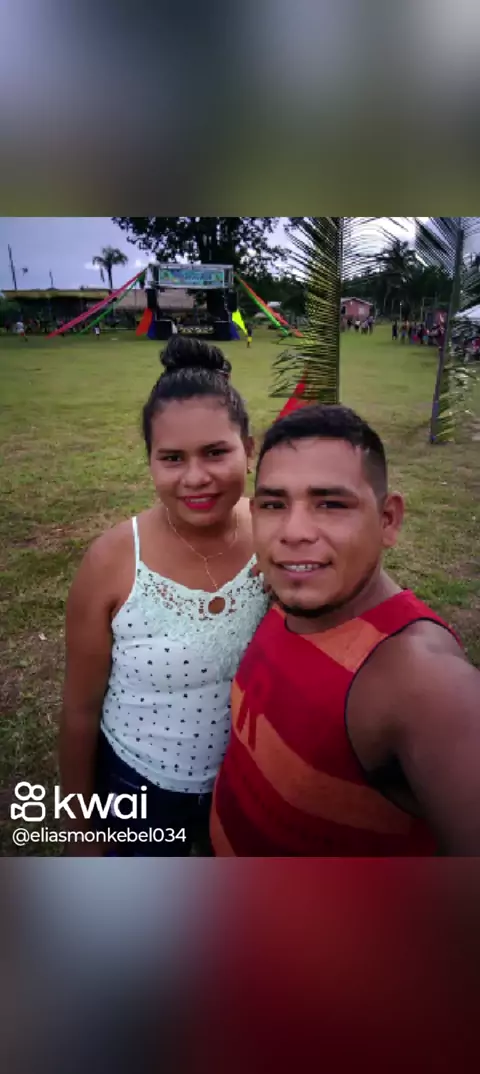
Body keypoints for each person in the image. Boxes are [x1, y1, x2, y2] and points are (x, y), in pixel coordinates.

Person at [211, 404, 480, 856]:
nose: (293, 532)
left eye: (331, 504)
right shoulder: (293, 594)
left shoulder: (420, 682)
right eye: (275, 505)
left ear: (388, 520)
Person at [59, 337, 270, 856]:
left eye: (216, 452)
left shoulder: (276, 534)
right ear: (150, 461)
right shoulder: (112, 560)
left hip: (250, 785)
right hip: (137, 789)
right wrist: (77, 831)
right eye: (172, 458)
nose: (196, 477)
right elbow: (79, 711)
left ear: (249, 449)